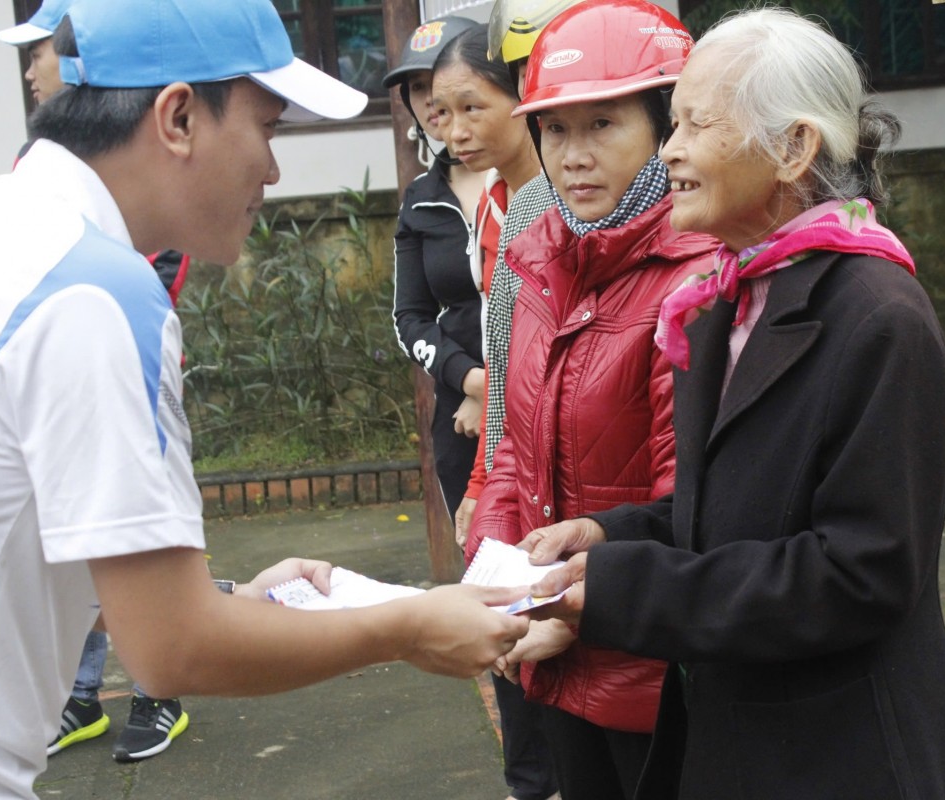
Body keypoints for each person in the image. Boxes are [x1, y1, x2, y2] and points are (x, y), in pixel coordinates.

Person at [0, 1, 529, 797]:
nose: (273, 172)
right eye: (270, 128)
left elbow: (13, 533)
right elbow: (171, 649)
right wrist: (410, 626)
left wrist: (231, 600)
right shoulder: (96, 292)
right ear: (178, 116)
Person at [522, 8, 945, 800]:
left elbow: (859, 574)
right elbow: (734, 512)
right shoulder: (723, 302)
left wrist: (624, 589)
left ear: (794, 148)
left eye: (694, 125)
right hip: (736, 746)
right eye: (672, 126)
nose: (669, 151)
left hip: (846, 759)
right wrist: (608, 531)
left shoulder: (878, 316)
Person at [465, 3, 717, 797]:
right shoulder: (543, 253)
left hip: (663, 677)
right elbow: (512, 447)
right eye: (556, 130)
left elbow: (696, 510)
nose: (573, 157)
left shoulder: (700, 278)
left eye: (603, 124)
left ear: (666, 127)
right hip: (558, 655)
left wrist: (563, 611)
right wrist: (493, 594)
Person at [0, 2, 195, 764]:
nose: (30, 68)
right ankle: (81, 696)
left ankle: (156, 693)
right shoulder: (33, 164)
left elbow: (157, 268)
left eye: (40, 51)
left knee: (135, 532)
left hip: (127, 370)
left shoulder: (122, 285)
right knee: (68, 532)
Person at [430, 26, 559, 800]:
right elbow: (505, 365)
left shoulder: (558, 199)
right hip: (512, 468)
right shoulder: (494, 206)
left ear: (523, 96)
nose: (455, 131)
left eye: (473, 107)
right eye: (441, 115)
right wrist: (483, 478)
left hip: (553, 475)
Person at [453, 0, 584, 551]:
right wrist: (487, 490)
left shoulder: (690, 215)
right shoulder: (528, 209)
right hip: (538, 508)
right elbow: (505, 369)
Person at [389, 16, 489, 523]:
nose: (432, 101)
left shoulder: (538, 182)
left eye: (443, 82)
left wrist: (497, 392)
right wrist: (469, 380)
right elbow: (409, 318)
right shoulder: (420, 202)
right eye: (420, 88)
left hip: (543, 397)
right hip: (460, 414)